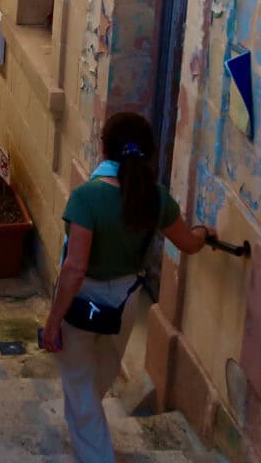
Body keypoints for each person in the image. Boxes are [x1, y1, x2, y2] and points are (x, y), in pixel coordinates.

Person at [41, 111, 217, 462]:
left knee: (79, 387)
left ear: (103, 148)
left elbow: (75, 269)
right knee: (96, 382)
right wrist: (204, 233)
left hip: (81, 303)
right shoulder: (157, 198)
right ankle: (88, 435)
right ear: (149, 151)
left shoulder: (86, 198)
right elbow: (190, 244)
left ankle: (96, 454)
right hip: (124, 303)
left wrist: (52, 321)